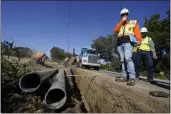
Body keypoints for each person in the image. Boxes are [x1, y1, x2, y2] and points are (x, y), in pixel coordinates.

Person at [114, 8, 142, 86]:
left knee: (128, 58)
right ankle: (124, 76)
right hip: (119, 43)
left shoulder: (133, 23)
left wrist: (139, 40)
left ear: (128, 15)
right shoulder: (120, 24)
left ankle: (132, 77)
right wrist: (122, 21)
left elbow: (137, 33)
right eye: (122, 15)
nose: (124, 16)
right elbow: (115, 30)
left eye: (125, 14)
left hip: (128, 43)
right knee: (122, 60)